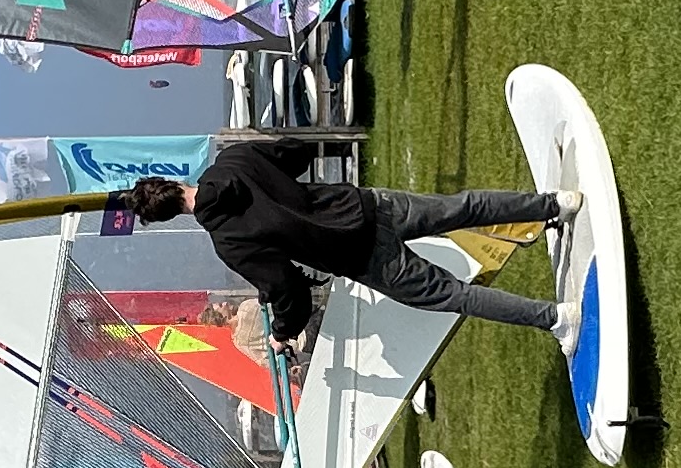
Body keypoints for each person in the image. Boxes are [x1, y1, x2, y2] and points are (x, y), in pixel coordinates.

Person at [125, 141, 567, 354]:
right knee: (461, 208)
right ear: (170, 181)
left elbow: (288, 290)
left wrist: (281, 334)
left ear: (169, 216)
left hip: (361, 256)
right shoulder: (232, 160)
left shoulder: (227, 240)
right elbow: (296, 154)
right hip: (366, 204)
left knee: (454, 295)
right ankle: (554, 204)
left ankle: (554, 318)